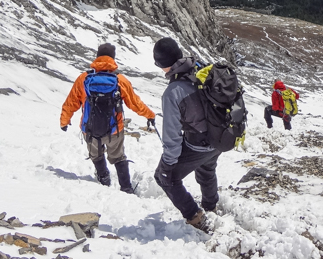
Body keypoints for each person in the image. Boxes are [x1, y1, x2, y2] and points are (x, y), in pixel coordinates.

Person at [60, 43, 156, 193]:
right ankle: (126, 188)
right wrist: (149, 115)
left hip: (89, 129)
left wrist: (64, 121)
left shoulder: (84, 78)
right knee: (118, 157)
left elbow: (71, 102)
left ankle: (103, 179)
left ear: (97, 57)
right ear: (113, 58)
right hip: (114, 129)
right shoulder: (119, 80)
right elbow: (135, 103)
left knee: (96, 155)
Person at [152, 37, 220, 231]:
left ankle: (196, 218)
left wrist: (167, 165)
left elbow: (172, 136)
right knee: (207, 169)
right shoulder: (200, 68)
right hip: (221, 137)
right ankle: (211, 206)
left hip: (199, 143)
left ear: (163, 65)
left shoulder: (173, 92)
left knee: (165, 177)